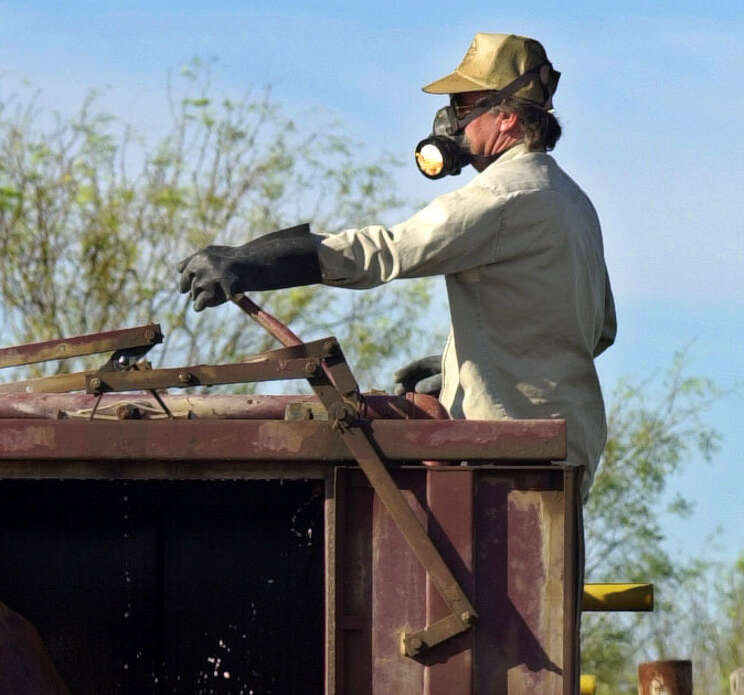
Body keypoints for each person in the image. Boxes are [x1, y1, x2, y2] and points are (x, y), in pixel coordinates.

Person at [177, 32, 617, 495]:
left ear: (506, 117)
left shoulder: (501, 197)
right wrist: (463, 364)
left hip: (507, 445)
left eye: (465, 105)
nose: (454, 121)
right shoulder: (571, 202)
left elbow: (385, 251)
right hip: (569, 442)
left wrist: (250, 262)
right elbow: (598, 330)